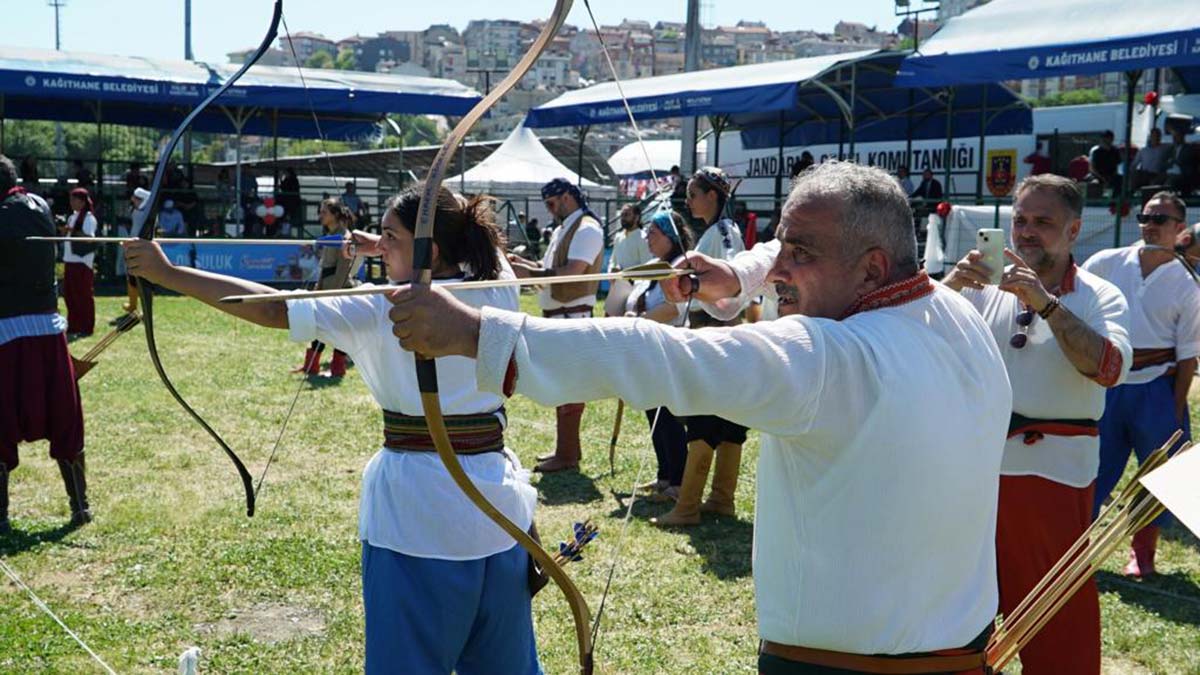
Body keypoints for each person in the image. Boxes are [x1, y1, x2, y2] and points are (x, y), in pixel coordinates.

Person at [389, 161, 1011, 674]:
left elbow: (659, 355)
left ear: (872, 265)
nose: (779, 269)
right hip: (966, 653)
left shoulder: (831, 356)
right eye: (781, 248)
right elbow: (775, 250)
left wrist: (476, 331)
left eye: (800, 253)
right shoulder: (958, 318)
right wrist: (735, 275)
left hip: (836, 665)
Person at [126, 184, 544, 675]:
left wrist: (165, 271)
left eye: (390, 237)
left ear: (428, 251)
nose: (381, 245)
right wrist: (384, 244)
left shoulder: (382, 308)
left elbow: (270, 307)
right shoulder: (496, 282)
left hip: (418, 522)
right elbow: (471, 238)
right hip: (500, 515)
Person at [943, 175, 1132, 675]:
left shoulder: (1098, 294)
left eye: (1042, 222)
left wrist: (1046, 304)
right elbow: (918, 349)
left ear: (1073, 231)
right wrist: (949, 289)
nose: (1026, 232)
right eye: (1020, 220)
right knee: (956, 617)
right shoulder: (984, 289)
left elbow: (1108, 368)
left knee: (1056, 622)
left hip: (1051, 480)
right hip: (974, 476)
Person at [1083, 190, 1200, 578]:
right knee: (1091, 470)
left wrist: (1176, 410)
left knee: (1159, 476)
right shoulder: (1106, 262)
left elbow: (1187, 358)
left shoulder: (1188, 285)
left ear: (1179, 228)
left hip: (1156, 389)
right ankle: (1074, 552)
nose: (1149, 225)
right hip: (1107, 385)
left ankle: (1142, 555)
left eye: (1160, 220)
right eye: (1145, 217)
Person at [0, 155, 90, 533]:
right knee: (63, 412)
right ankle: (80, 505)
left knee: (1, 415)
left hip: (6, 328)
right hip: (47, 328)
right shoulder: (39, 206)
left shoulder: (6, 212)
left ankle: (0, 516)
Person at [653, 166, 747, 526]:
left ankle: (688, 506)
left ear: (713, 196)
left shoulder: (722, 233)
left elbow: (731, 297)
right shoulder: (721, 231)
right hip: (718, 335)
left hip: (716, 336)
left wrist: (694, 289)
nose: (688, 200)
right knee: (726, 419)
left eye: (693, 194)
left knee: (706, 416)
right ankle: (720, 500)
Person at [507, 178, 605, 473]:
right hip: (562, 314)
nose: (550, 210)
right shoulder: (568, 228)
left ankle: (567, 454)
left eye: (551, 204)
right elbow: (554, 271)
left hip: (572, 315)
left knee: (570, 386)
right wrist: (525, 265)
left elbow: (572, 273)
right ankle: (566, 450)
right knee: (564, 385)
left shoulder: (587, 228)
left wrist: (529, 272)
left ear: (565, 198)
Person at [625, 207, 693, 503]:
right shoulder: (655, 266)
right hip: (650, 351)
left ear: (669, 237)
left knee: (670, 418)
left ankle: (678, 481)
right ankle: (665, 474)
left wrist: (637, 321)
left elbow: (673, 308)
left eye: (653, 233)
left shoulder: (680, 266)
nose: (647, 238)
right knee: (654, 413)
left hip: (671, 351)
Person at [293, 198, 358, 378]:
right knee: (319, 326)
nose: (320, 215)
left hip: (339, 290)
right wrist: (318, 288)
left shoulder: (345, 237)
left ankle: (338, 368)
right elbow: (325, 267)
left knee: (338, 329)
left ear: (335, 215)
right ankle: (310, 366)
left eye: (324, 212)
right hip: (327, 288)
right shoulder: (331, 235)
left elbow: (343, 271)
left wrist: (333, 294)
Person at [61, 187, 98, 338]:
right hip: (70, 259)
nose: (71, 202)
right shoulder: (72, 216)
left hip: (82, 261)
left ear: (82, 202)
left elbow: (89, 238)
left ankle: (86, 326)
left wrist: (72, 230)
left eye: (74, 199)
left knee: (83, 295)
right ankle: (74, 324)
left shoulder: (89, 218)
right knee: (70, 295)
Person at [279, 168, 303, 232]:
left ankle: (286, 232)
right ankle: (285, 232)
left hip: (292, 202)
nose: (285, 174)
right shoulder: (288, 179)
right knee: (285, 218)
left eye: (286, 173)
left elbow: (285, 188)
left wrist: (281, 180)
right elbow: (283, 188)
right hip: (288, 202)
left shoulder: (293, 180)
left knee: (288, 217)